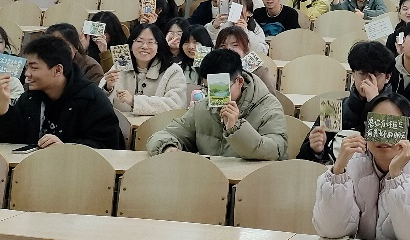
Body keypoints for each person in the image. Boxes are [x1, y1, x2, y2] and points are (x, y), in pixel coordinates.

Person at [313, 92, 410, 240]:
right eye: (377, 125)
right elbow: (331, 230)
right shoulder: (353, 161)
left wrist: (397, 177)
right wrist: (338, 171)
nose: (383, 137)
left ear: (409, 129)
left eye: (393, 126)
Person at [0, 35, 124, 149]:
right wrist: (3, 101)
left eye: (34, 68)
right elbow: (5, 139)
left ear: (58, 70)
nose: (27, 74)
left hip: (76, 171)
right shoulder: (30, 98)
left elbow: (108, 146)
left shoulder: (92, 99)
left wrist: (66, 148)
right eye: (27, 67)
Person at [146, 48, 287, 160]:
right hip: (210, 179)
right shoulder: (203, 107)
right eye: (209, 89)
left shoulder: (268, 108)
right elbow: (165, 134)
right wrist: (168, 147)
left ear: (239, 81)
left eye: (220, 89)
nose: (214, 95)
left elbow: (276, 150)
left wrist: (237, 129)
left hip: (253, 181)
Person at [298, 41, 398, 164]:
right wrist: (315, 150)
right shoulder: (334, 109)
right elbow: (304, 160)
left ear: (387, 77)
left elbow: (394, 156)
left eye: (374, 75)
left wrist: (375, 104)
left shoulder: (399, 109)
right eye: (362, 74)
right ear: (353, 75)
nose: (367, 81)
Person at [101, 23, 187, 117]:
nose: (145, 46)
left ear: (158, 46)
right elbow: (99, 104)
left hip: (158, 124)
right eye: (139, 41)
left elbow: (176, 105)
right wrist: (108, 88)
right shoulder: (120, 66)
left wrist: (134, 101)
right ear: (131, 46)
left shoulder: (172, 70)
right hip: (122, 124)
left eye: (150, 42)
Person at [215, 26, 278, 95]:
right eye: (222, 45)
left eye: (235, 45)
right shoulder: (213, 70)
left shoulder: (259, 72)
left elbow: (271, 99)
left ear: (245, 48)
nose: (228, 49)